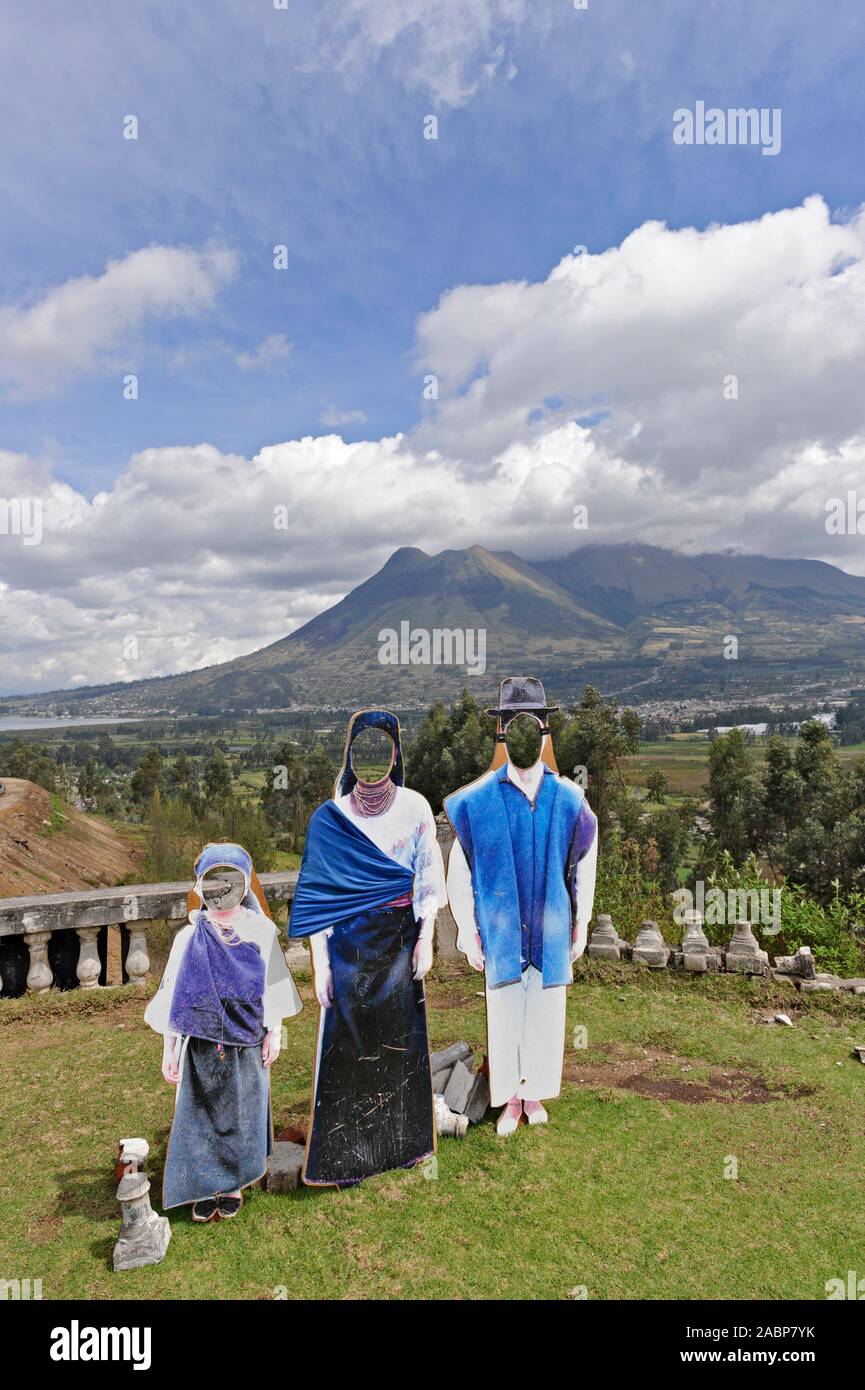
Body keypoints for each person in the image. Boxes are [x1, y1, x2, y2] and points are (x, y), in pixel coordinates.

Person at [289, 709, 445, 1185]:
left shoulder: (417, 808)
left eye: (382, 748)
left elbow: (427, 879)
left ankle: (400, 1144)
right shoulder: (330, 819)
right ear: (349, 755)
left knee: (397, 1046)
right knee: (350, 1050)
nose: (372, 759)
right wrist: (320, 966)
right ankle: (345, 1156)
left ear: (396, 754)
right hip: (349, 948)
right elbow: (318, 897)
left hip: (399, 941)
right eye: (363, 749)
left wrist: (426, 939)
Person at [445, 678, 597, 1136]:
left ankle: (534, 1093)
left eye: (530, 723)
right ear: (503, 732)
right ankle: (510, 1097)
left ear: (544, 729)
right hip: (501, 928)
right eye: (512, 724)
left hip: (550, 926)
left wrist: (581, 922)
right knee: (507, 1010)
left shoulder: (568, 798)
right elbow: (461, 869)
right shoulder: (478, 801)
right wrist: (467, 931)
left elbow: (586, 862)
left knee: (547, 1013)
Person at [144, 842, 302, 1221]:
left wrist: (274, 1032)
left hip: (246, 1041)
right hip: (201, 1044)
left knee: (242, 1113)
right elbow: (172, 998)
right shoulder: (189, 939)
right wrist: (170, 1050)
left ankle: (233, 1181)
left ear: (245, 886)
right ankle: (202, 1182)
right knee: (202, 1115)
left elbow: (275, 986)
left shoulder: (260, 932)